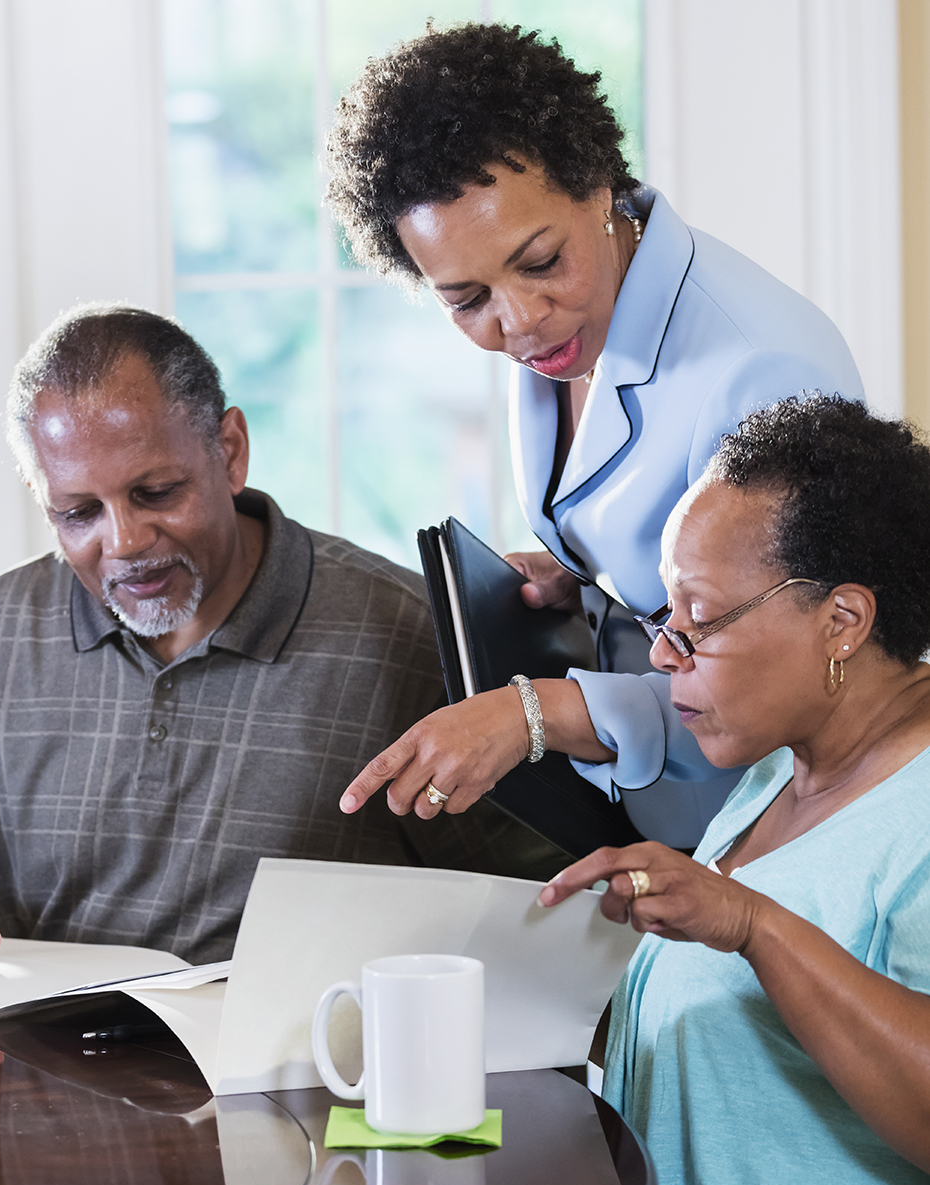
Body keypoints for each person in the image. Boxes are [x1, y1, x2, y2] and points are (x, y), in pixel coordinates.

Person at [0, 305, 518, 969]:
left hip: (312, 1060)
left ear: (230, 451)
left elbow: (534, 910)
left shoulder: (407, 632)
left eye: (156, 493)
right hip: (39, 1062)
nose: (124, 542)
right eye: (79, 513)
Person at [327, 23, 863, 846]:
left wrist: (534, 716)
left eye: (541, 261)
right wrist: (590, 576)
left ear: (599, 186)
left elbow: (788, 681)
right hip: (651, 813)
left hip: (769, 829)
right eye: (466, 299)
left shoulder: (762, 369)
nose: (519, 320)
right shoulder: (569, 325)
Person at [540, 396, 930, 1185]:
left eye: (702, 619)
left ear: (843, 620)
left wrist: (753, 925)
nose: (663, 653)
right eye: (665, 613)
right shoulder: (780, 766)